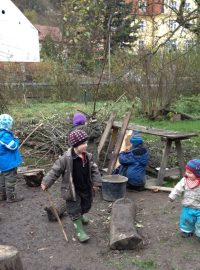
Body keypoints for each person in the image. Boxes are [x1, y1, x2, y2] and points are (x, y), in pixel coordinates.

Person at [41, 129, 102, 243]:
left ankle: (82, 215)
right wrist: (46, 182)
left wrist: (96, 182)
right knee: (74, 208)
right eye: (83, 143)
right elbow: (55, 170)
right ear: (75, 144)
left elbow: (94, 169)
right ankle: (79, 230)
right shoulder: (66, 158)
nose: (86, 145)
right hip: (72, 189)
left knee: (86, 204)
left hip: (85, 187)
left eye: (86, 142)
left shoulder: (88, 156)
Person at [168, 159, 200, 239]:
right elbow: (177, 188)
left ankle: (199, 233)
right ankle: (186, 230)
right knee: (186, 219)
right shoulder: (185, 180)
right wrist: (172, 196)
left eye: (190, 172)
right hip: (187, 206)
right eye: (186, 171)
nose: (187, 174)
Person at [0, 114, 23, 203]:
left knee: (2, 180)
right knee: (10, 180)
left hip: (2, 163)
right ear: (8, 125)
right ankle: (11, 197)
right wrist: (16, 140)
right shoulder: (5, 135)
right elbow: (13, 146)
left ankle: (3, 195)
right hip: (9, 163)